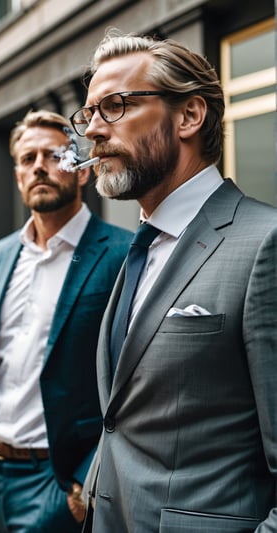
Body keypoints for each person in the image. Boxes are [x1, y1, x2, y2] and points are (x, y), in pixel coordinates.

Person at [69, 31, 277, 532]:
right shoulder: (142, 246)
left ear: (188, 116)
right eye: (90, 113)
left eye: (114, 106)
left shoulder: (265, 244)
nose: (93, 130)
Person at [0, 109, 133, 533]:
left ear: (81, 172)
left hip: (61, 483)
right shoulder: (1, 254)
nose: (39, 167)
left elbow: (135, 378)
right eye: (28, 159)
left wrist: (87, 475)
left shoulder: (124, 253)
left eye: (52, 155)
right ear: (17, 176)